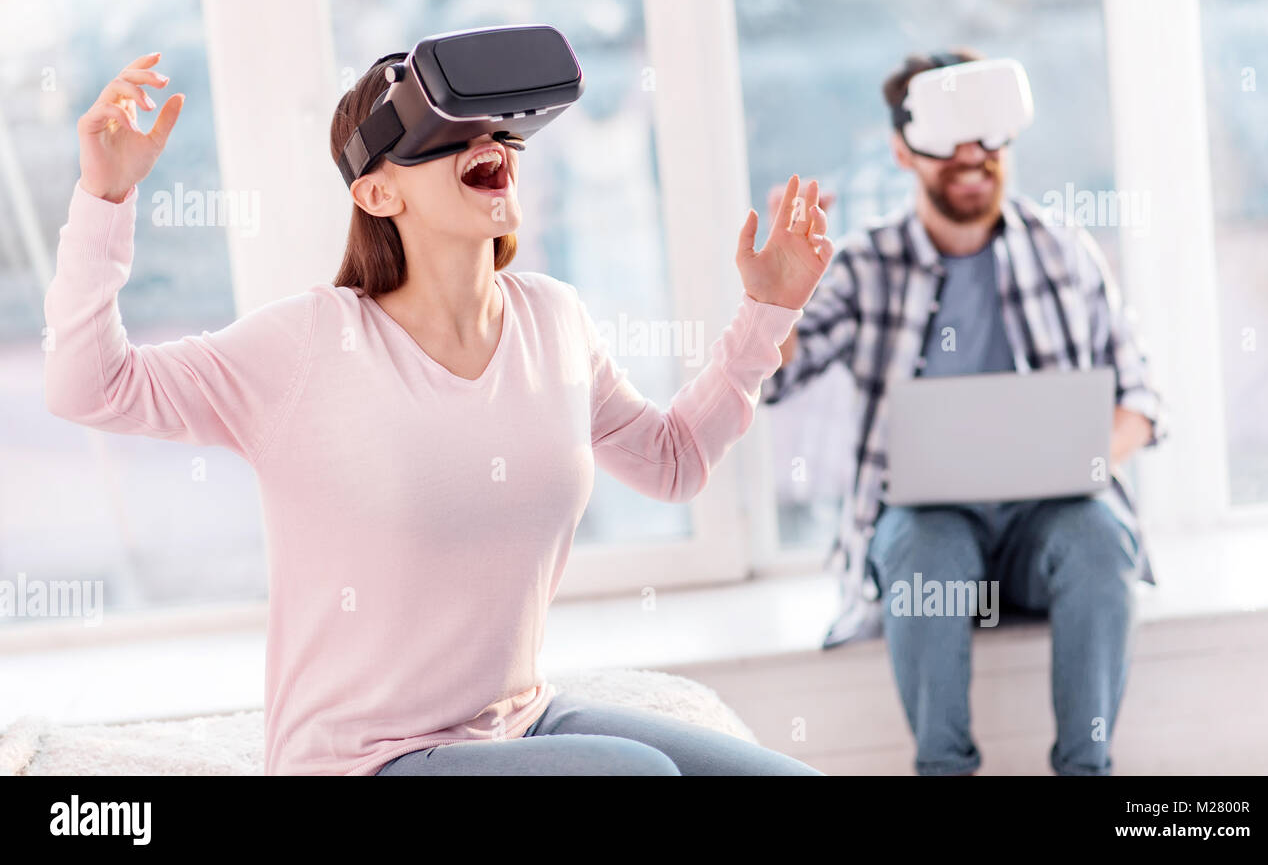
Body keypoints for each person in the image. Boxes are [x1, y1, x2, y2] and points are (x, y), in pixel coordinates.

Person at [44, 49, 834, 776]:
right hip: (365, 758)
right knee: (636, 776)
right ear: (377, 192)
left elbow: (673, 463)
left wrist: (766, 312)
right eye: (447, 132)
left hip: (522, 722)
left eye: (492, 128)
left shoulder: (553, 319)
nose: (485, 141)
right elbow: (92, 385)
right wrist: (104, 197)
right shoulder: (311, 342)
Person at [762, 50, 1167, 776]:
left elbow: (1141, 396)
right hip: (930, 527)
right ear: (902, 148)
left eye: (987, 133)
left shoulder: (1063, 250)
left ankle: (1087, 768)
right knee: (924, 548)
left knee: (1102, 537)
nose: (972, 156)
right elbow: (770, 380)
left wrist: (1085, 456)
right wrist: (776, 301)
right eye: (950, 136)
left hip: (1049, 521)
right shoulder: (865, 264)